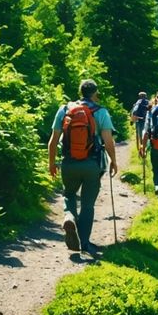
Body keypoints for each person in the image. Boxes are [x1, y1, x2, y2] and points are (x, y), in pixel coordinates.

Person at [47, 79, 117, 255]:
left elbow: (53, 141)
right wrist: (114, 161)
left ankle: (69, 216)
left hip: (69, 162)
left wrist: (51, 162)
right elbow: (108, 141)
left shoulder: (65, 110)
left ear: (80, 92)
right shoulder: (101, 112)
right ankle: (84, 244)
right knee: (87, 205)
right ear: (95, 93)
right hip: (92, 164)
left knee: (69, 194)